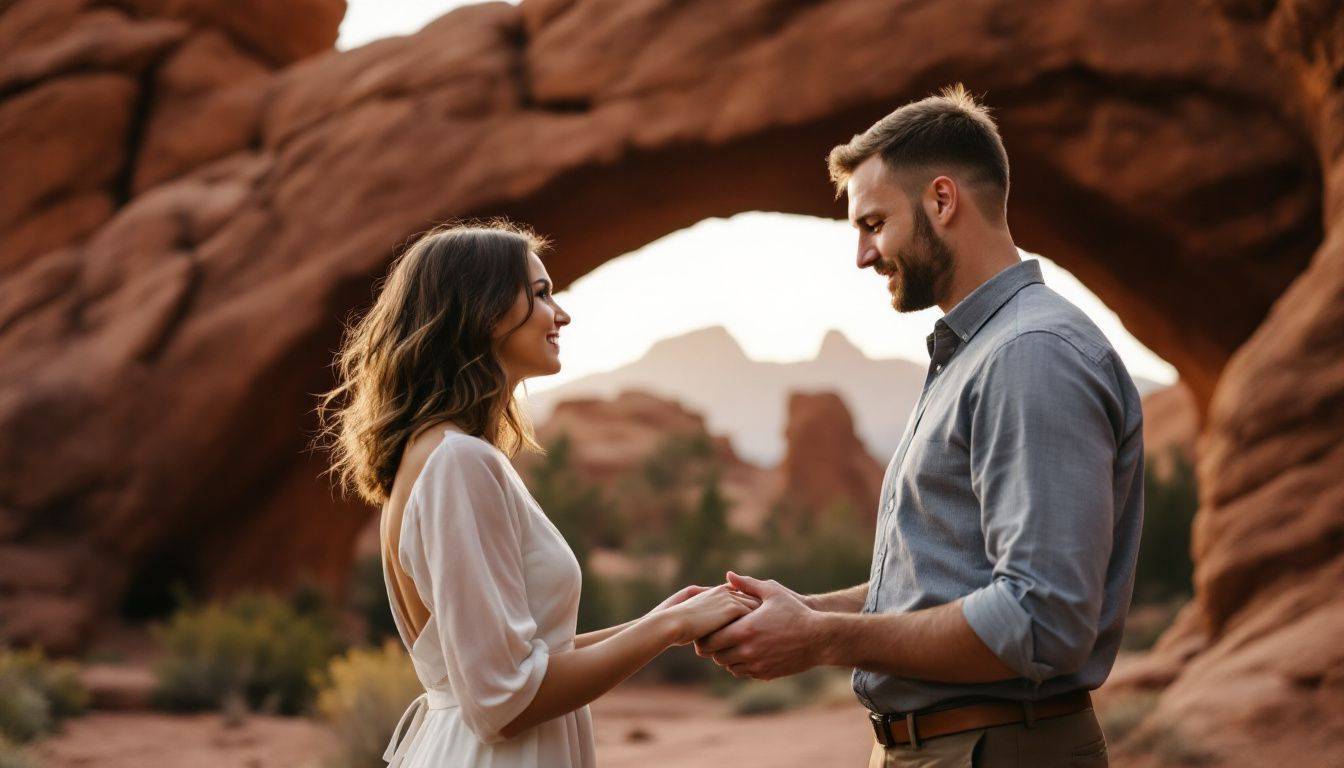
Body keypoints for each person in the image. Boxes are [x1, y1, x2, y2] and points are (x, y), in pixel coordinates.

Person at [695, 85, 1144, 767]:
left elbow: (1039, 620)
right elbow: (944, 580)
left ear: (942, 200)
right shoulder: (977, 352)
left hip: (997, 750)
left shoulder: (1030, 356)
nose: (863, 256)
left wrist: (822, 639)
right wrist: (806, 609)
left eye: (873, 224)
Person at [318, 222, 759, 768]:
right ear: (484, 309)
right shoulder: (459, 461)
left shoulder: (438, 453)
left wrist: (659, 622)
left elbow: (524, 655)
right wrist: (666, 629)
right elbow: (503, 701)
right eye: (543, 293)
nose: (563, 314)